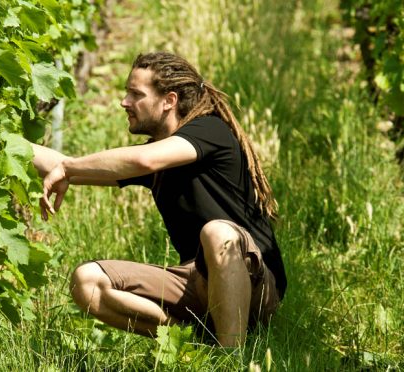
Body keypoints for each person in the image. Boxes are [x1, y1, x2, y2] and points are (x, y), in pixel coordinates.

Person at [31, 51, 286, 347]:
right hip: (196, 280)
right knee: (87, 281)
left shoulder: (210, 130)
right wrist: (5, 144)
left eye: (135, 94)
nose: (124, 102)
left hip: (254, 284)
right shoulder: (159, 155)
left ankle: (233, 358)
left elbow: (142, 160)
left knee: (218, 233)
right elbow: (65, 164)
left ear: (169, 101)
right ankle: (194, 339)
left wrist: (68, 168)